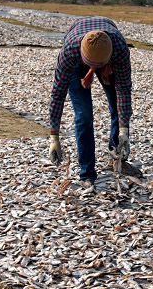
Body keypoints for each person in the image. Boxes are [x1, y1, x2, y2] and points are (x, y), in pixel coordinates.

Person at [47, 16, 138, 183]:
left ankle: (117, 158)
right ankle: (87, 173)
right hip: (79, 58)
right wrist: (54, 136)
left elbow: (123, 90)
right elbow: (58, 94)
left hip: (108, 58)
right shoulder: (69, 52)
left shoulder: (119, 48)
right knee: (84, 116)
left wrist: (124, 129)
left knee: (117, 105)